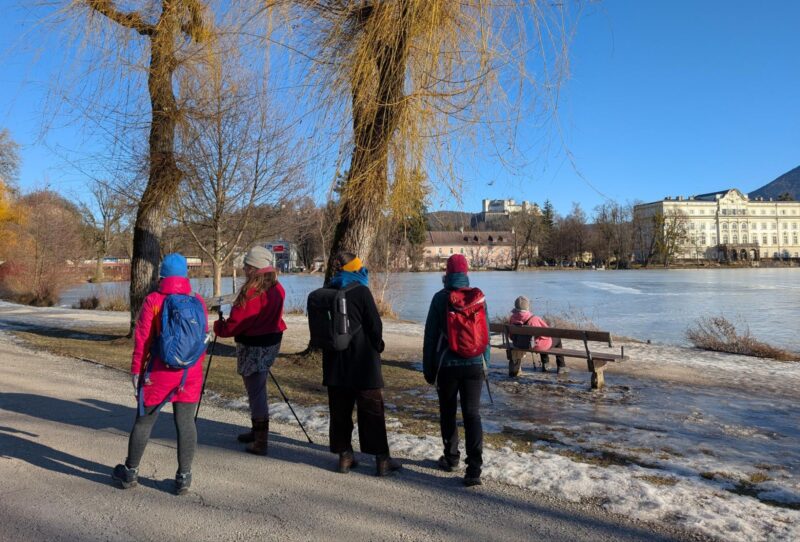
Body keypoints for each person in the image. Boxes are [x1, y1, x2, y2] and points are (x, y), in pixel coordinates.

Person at [112, 253, 208, 495]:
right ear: (185, 275)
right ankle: (184, 478)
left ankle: (130, 473)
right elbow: (201, 339)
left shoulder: (153, 300)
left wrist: (136, 370)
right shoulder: (198, 300)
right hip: (190, 373)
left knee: (144, 421)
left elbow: (142, 340)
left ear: (161, 276)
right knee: (186, 423)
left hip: (159, 373)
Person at [321, 252, 401, 476]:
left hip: (335, 363)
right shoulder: (361, 291)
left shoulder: (327, 290)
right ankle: (382, 460)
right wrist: (378, 345)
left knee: (340, 411)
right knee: (372, 411)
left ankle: (345, 457)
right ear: (356, 269)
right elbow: (375, 326)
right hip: (363, 361)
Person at [422, 254, 488, 487]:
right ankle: (474, 470)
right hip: (473, 364)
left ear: (447, 274)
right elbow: (485, 335)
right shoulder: (478, 298)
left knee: (448, 412)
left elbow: (430, 337)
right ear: (466, 273)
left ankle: (451, 458)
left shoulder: (440, 299)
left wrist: (428, 369)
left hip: (447, 366)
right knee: (472, 414)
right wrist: (484, 363)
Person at [214, 246, 286, 456]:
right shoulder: (277, 287)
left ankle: (261, 439)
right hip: (270, 342)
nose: (244, 269)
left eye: (247, 265)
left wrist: (220, 328)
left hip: (253, 343)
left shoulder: (252, 291)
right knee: (258, 387)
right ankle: (257, 431)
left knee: (255, 390)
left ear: (255, 267)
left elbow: (238, 323)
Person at [508, 295, 567, 375]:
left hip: (518, 344)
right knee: (553, 339)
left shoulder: (512, 318)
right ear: (527, 306)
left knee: (540, 339)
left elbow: (510, 335)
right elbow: (547, 332)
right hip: (533, 345)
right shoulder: (533, 319)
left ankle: (546, 364)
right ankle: (561, 366)